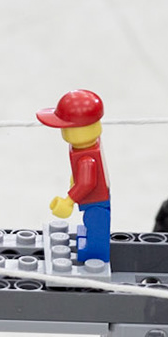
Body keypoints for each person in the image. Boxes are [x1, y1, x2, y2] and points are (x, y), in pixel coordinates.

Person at [36, 89, 110, 265]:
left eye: (66, 127)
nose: (63, 130)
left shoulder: (87, 158)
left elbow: (86, 183)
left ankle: (93, 254)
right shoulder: (87, 148)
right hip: (97, 200)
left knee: (95, 225)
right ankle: (90, 245)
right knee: (93, 224)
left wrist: (68, 201)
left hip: (97, 203)